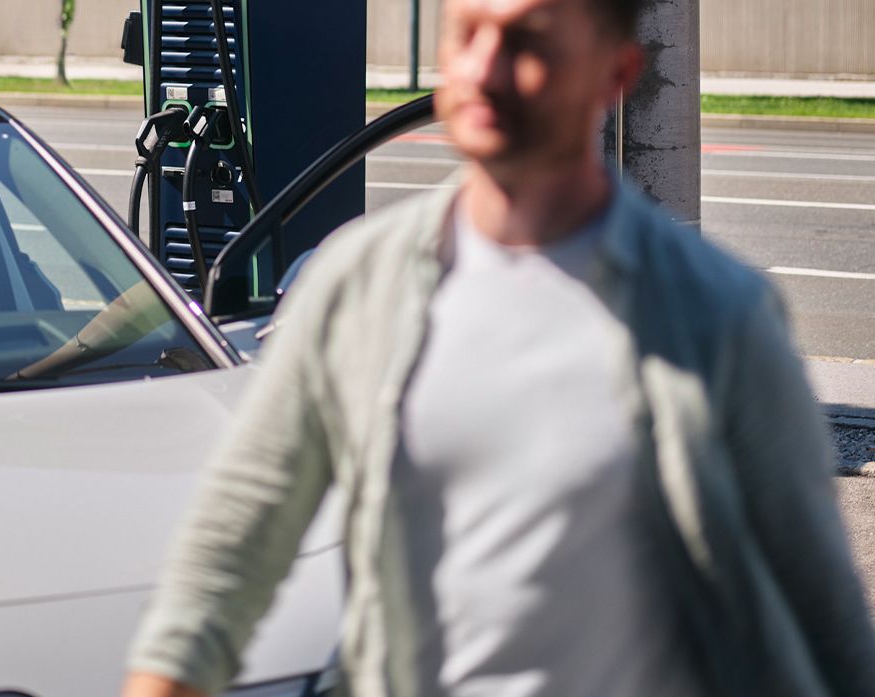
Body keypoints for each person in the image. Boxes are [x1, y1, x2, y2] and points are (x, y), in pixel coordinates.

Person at [121, 0, 875, 695]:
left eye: (526, 43)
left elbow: (822, 614)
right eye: (467, 34)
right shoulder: (356, 287)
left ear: (616, 73)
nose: (483, 67)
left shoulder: (717, 317)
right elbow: (225, 557)